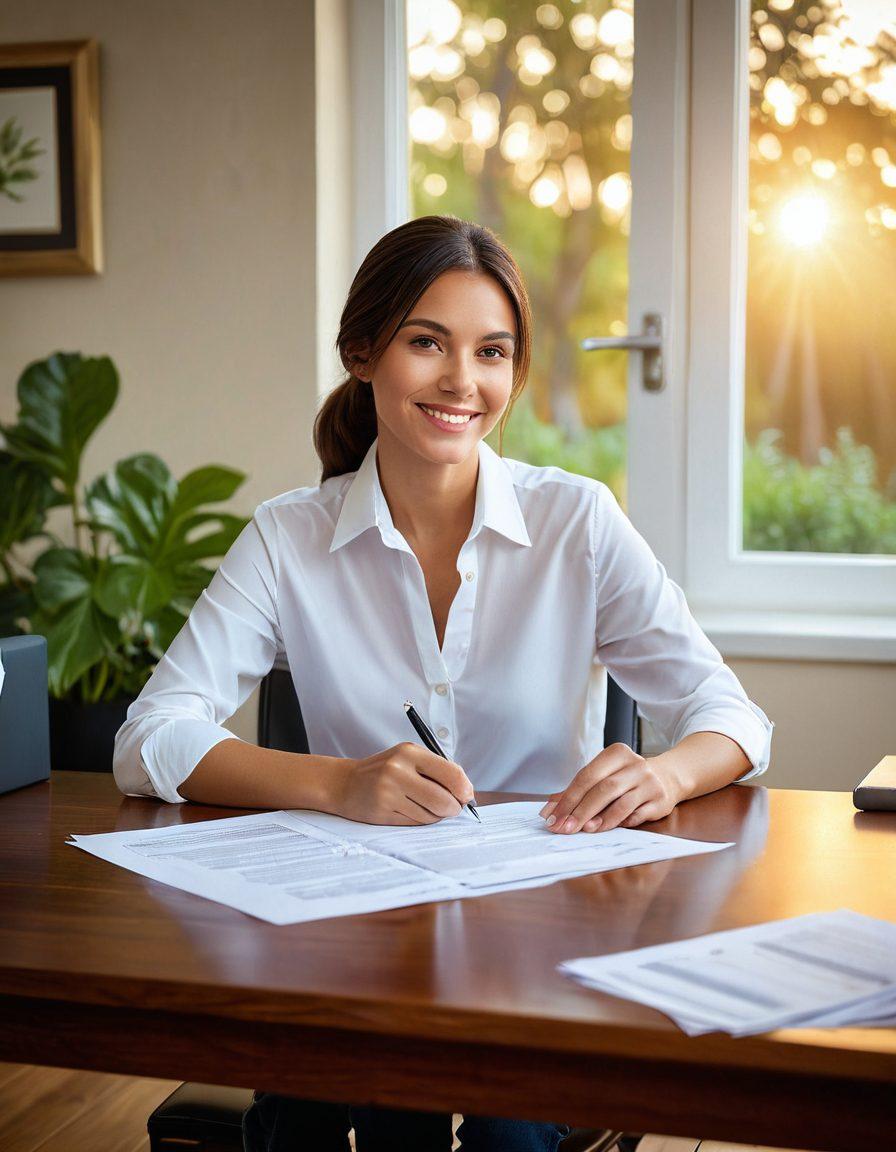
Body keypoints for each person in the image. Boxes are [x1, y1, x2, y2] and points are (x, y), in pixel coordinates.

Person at [114, 215, 772, 1151]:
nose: (464, 380)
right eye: (428, 342)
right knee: (317, 1110)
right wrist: (339, 783)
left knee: (507, 1132)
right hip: (354, 938)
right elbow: (149, 738)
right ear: (362, 352)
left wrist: (667, 774)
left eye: (492, 352)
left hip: (543, 937)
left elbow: (733, 717)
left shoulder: (575, 521)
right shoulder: (288, 537)